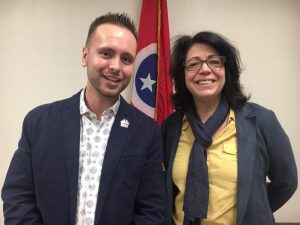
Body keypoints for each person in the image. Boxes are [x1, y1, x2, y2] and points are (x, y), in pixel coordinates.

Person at [2, 12, 165, 225]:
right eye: (106, 53)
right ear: (85, 56)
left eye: (126, 59)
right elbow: (18, 196)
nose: (116, 66)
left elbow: (152, 210)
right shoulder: (39, 123)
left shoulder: (147, 132)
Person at [161, 31, 297, 225]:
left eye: (214, 61)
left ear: (227, 69)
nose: (205, 69)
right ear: (182, 75)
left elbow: (286, 182)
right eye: (193, 64)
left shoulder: (262, 121)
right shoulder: (171, 127)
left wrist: (253, 210)